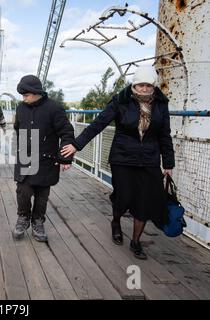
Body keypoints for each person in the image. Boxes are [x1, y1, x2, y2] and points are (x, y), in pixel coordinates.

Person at [61, 65, 174, 259]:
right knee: (123, 197)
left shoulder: (161, 105)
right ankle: (116, 222)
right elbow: (98, 124)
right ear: (134, 85)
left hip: (149, 160)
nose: (145, 89)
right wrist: (76, 146)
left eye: (149, 85)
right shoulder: (120, 101)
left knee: (144, 202)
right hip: (122, 158)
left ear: (154, 86)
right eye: (141, 85)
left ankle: (136, 242)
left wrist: (169, 163)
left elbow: (164, 135)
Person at [13, 75, 74, 242]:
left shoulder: (54, 108)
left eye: (25, 95)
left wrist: (65, 158)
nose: (23, 99)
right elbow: (18, 127)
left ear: (35, 92)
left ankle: (38, 221)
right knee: (23, 191)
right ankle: (23, 218)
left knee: (41, 194)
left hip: (46, 158)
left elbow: (67, 133)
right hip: (26, 155)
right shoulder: (21, 108)